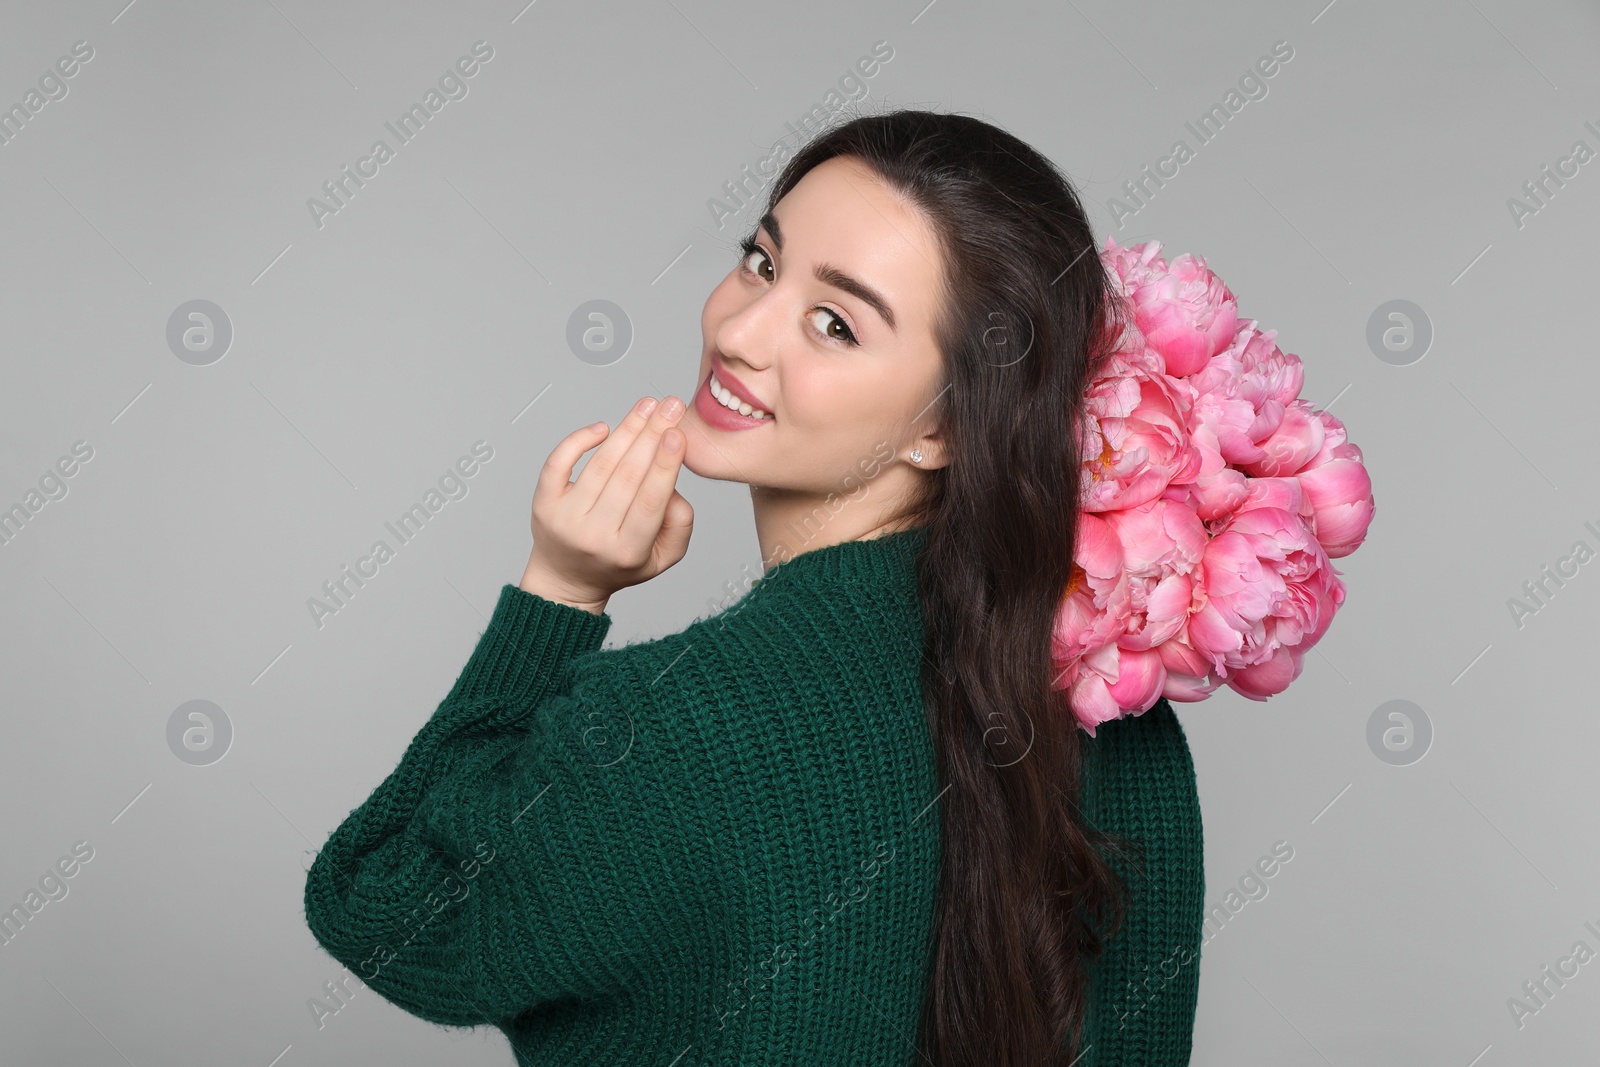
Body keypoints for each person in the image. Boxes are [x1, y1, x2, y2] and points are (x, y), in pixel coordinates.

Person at [303, 108, 1204, 1066]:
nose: (738, 329)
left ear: (943, 429)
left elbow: (379, 899)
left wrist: (558, 594)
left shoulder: (671, 726)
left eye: (834, 324)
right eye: (762, 262)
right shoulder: (1120, 714)